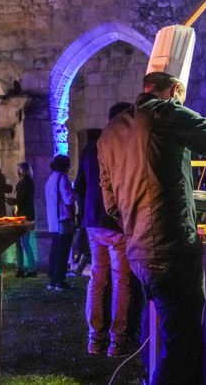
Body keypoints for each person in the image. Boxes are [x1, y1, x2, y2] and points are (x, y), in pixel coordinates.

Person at [97, 71, 206, 385]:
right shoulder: (167, 112)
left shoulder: (111, 131)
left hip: (138, 251)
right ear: (177, 89)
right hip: (172, 250)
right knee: (182, 349)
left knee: (168, 341)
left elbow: (111, 204)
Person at [74, 108, 132, 358]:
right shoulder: (125, 147)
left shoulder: (91, 148)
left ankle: (94, 339)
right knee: (120, 281)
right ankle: (117, 340)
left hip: (93, 221)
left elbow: (79, 186)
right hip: (116, 222)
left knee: (97, 278)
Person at [45, 153, 77, 291]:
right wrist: (76, 192)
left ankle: (52, 280)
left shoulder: (50, 179)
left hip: (53, 220)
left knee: (55, 251)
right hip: (63, 220)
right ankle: (60, 281)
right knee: (63, 252)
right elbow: (68, 199)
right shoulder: (62, 178)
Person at [8, 161, 37, 277]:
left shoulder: (27, 183)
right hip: (20, 216)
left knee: (24, 242)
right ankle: (20, 268)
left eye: (18, 169)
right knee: (19, 243)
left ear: (23, 170)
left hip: (24, 216)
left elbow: (23, 199)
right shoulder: (23, 182)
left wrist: (12, 201)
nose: (17, 172)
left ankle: (32, 269)